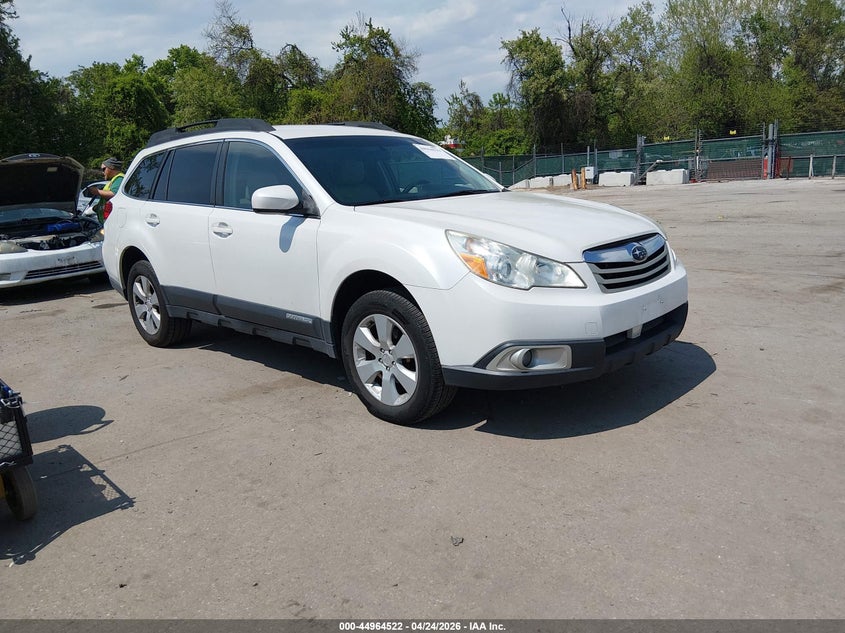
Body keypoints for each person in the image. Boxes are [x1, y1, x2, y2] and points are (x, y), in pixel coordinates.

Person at [87, 157, 124, 224]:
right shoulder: (113, 180)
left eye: (104, 169)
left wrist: (97, 191)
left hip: (110, 221)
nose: (102, 172)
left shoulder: (119, 178)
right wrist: (94, 208)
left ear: (111, 167)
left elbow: (114, 194)